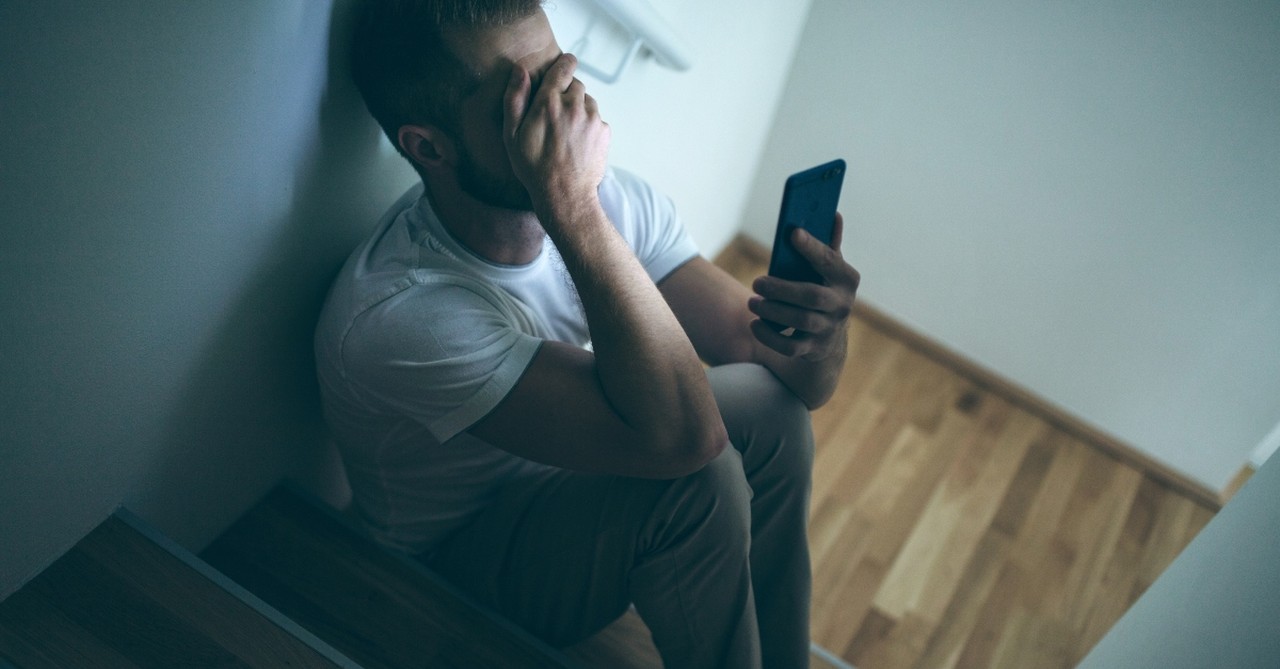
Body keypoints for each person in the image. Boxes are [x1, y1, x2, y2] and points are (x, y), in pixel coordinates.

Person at [314, 1, 861, 667]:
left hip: (566, 478)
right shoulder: (399, 312)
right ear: (429, 146)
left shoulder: (613, 201)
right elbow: (689, 439)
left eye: (560, 71)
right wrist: (570, 206)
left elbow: (796, 381)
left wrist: (822, 335)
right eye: (526, 95)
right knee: (697, 478)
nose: (571, 106)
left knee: (770, 407)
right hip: (458, 564)